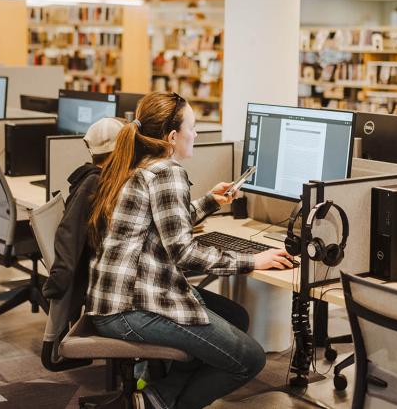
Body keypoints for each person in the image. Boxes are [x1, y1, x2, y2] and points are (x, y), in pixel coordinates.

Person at [86, 92, 294, 409]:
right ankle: (163, 402)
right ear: (172, 137)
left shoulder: (140, 163)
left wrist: (210, 201)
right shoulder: (167, 172)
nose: (195, 134)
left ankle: (158, 397)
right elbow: (185, 253)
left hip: (115, 299)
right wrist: (253, 260)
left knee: (234, 316)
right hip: (129, 309)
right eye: (192, 128)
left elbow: (164, 223)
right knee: (250, 358)